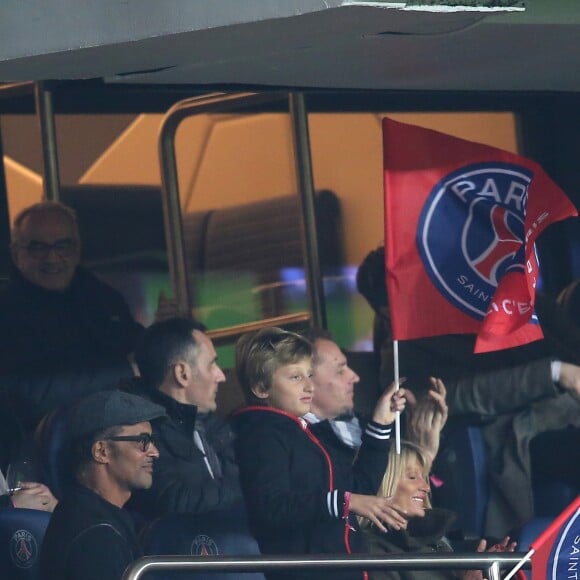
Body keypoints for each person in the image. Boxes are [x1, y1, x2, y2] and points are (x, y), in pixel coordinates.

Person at [356, 245, 580, 537]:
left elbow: (561, 336)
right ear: (388, 311)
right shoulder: (401, 355)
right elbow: (458, 394)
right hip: (516, 433)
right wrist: (554, 373)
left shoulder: (479, 292)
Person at [232, 326, 408, 580]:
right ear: (261, 388)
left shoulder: (308, 433)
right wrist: (343, 502)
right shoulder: (261, 435)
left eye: (310, 374)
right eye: (295, 377)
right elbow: (270, 507)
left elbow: (360, 488)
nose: (309, 386)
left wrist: (380, 424)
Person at [0, 201, 143, 442]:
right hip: (41, 448)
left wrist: (159, 334)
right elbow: (22, 394)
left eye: (62, 245)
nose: (52, 257)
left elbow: (133, 347)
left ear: (77, 249)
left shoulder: (103, 297)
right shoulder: (6, 313)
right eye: (37, 248)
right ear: (16, 254)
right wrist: (123, 372)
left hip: (120, 437)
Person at [40, 390, 165, 580]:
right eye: (143, 442)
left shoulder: (91, 513)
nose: (155, 452)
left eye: (152, 441)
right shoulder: (97, 537)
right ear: (101, 451)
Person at [126, 316, 243, 520]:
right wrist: (254, 486)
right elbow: (174, 500)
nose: (221, 376)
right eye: (211, 365)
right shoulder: (140, 433)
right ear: (182, 373)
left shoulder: (211, 423)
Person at [363, 441, 524, 580]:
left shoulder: (436, 541)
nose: (426, 487)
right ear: (385, 482)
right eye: (412, 477)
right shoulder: (372, 550)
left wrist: (488, 571)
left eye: (424, 478)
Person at [301, 327, 448, 468]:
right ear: (304, 381)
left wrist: (422, 429)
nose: (355, 377)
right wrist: (423, 455)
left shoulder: (364, 423)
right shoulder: (305, 445)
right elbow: (367, 488)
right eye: (340, 371)